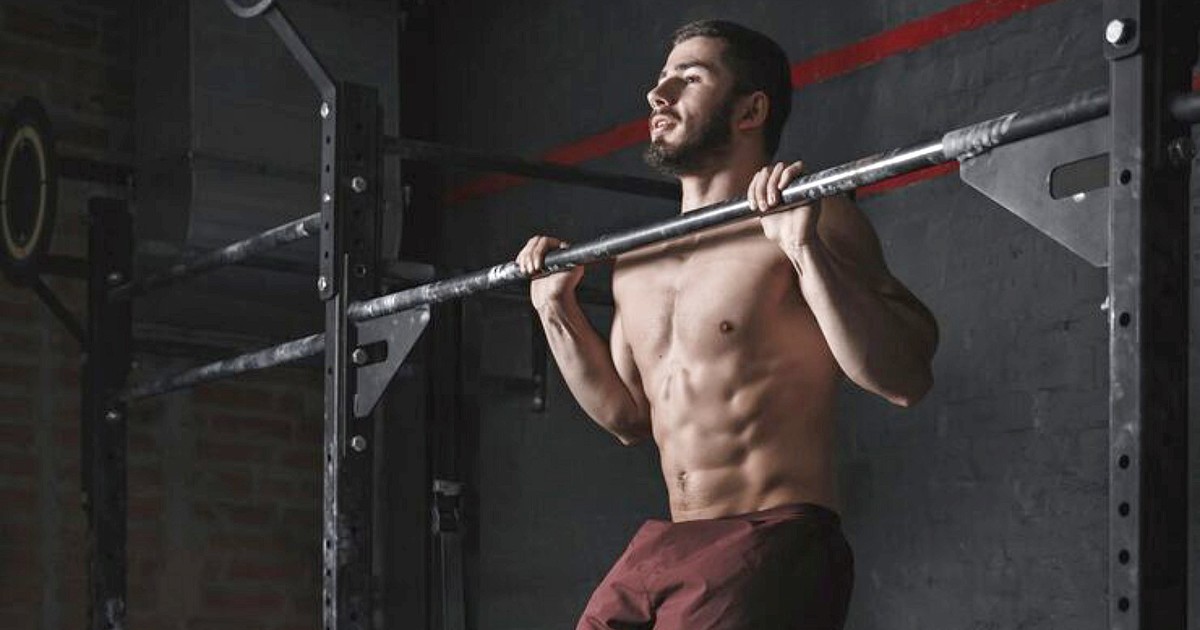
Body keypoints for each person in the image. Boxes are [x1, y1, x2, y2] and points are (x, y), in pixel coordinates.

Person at [514, 19, 938, 630]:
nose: (658, 95)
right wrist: (556, 312)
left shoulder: (813, 216)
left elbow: (904, 380)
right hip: (672, 541)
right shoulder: (638, 259)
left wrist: (804, 251)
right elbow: (628, 419)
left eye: (689, 78)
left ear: (750, 111)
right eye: (661, 79)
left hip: (773, 535)